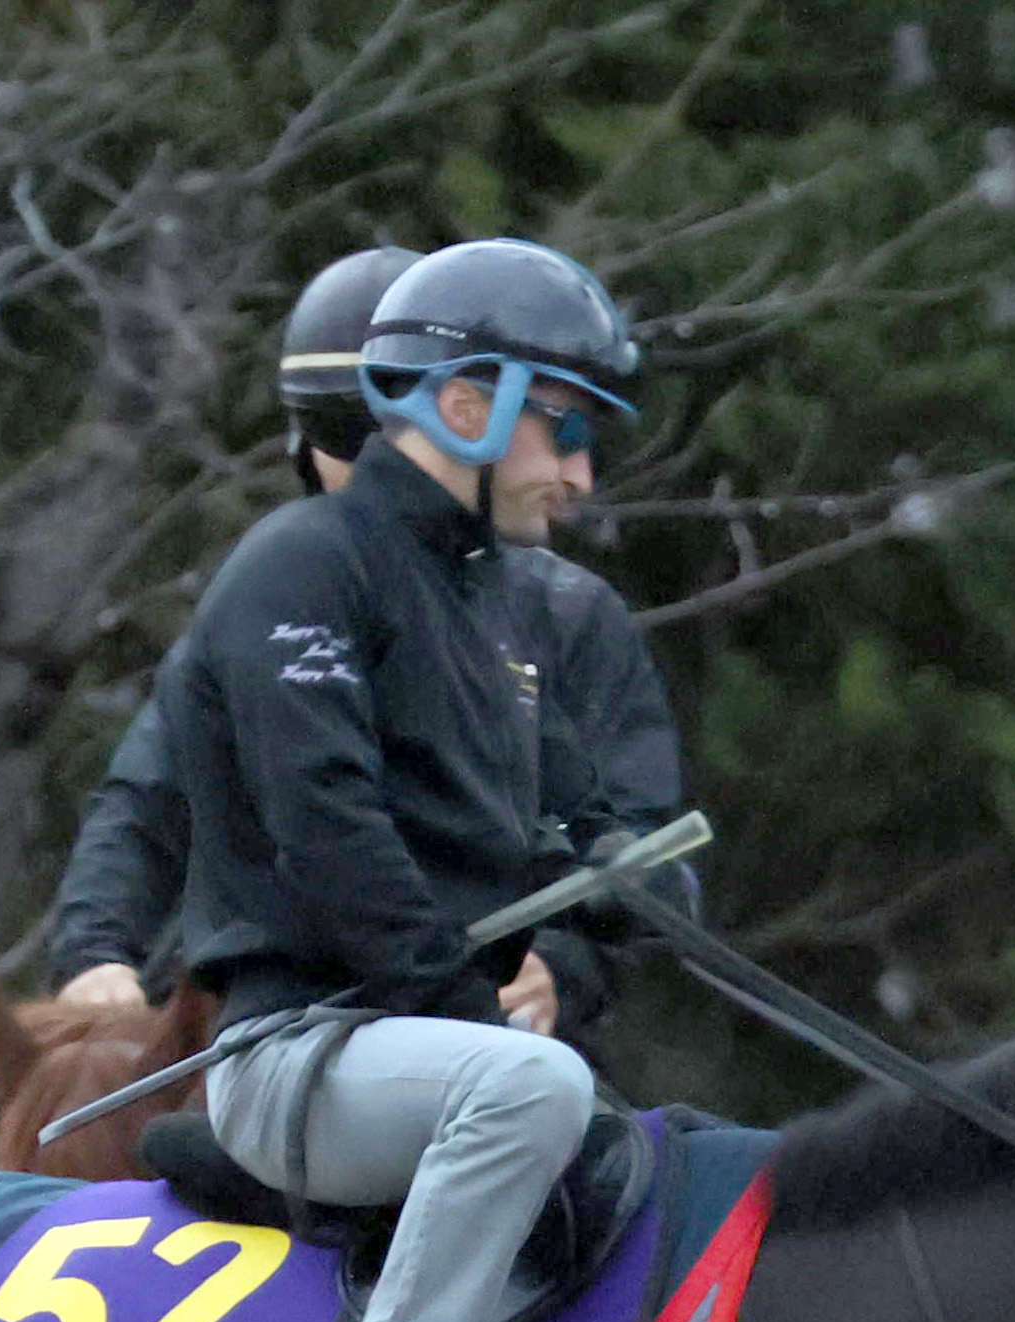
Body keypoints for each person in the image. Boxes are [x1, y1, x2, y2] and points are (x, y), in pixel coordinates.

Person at [155, 238, 652, 1322]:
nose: (580, 474)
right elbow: (329, 834)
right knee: (535, 1089)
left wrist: (625, 886)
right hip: (294, 1056)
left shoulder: (497, 608)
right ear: (466, 402)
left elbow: (570, 812)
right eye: (565, 428)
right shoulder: (299, 565)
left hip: (419, 1048)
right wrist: (475, 993)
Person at [39, 246, 689, 1057]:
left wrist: (563, 966)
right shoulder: (292, 584)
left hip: (499, 1030)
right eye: (346, 435)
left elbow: (634, 840)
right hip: (302, 1023)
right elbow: (156, 788)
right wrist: (96, 949)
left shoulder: (564, 615)